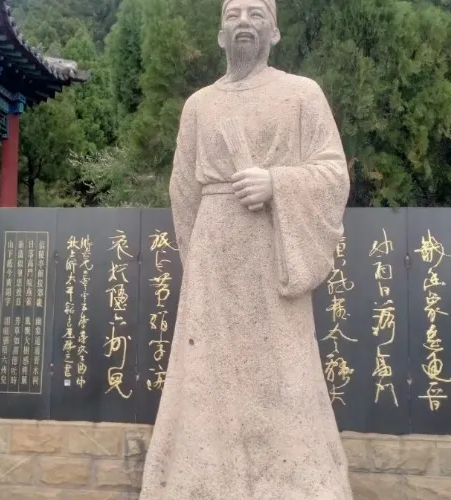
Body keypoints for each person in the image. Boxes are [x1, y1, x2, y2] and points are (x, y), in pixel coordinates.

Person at [139, 0, 353, 498]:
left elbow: (334, 173)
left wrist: (277, 183)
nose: (244, 22)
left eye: (257, 14)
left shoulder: (302, 94)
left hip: (274, 251)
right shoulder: (199, 105)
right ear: (220, 33)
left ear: (274, 32)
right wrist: (201, 260)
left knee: (283, 367)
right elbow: (182, 192)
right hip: (213, 258)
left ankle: (296, 485)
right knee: (206, 372)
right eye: (233, 13)